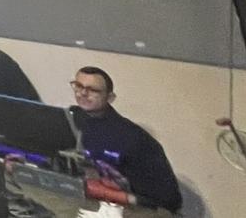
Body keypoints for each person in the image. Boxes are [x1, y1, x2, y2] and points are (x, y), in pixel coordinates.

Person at [70, 66, 183, 213]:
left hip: (143, 210)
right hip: (101, 203)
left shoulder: (133, 138)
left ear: (110, 98)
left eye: (93, 90)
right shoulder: (75, 119)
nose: (83, 93)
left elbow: (168, 201)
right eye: (79, 86)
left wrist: (104, 192)